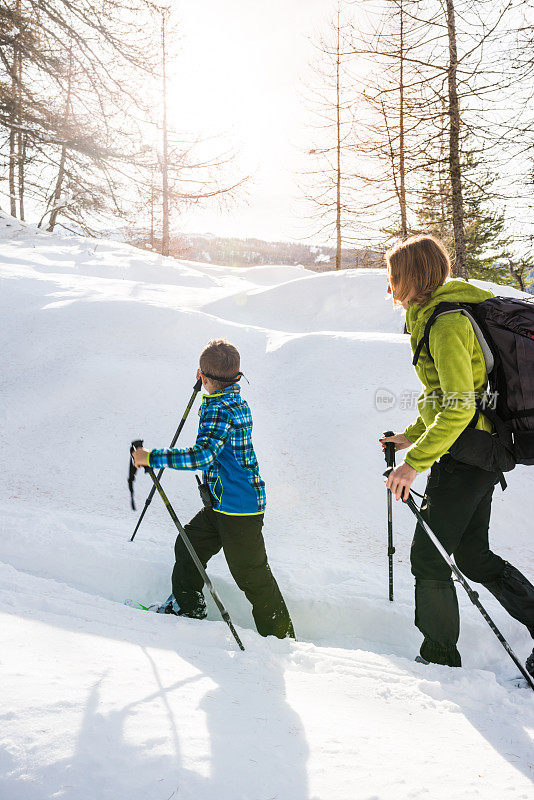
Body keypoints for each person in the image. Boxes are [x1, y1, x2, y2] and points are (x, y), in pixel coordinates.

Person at [380, 234, 534, 671]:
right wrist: (411, 436)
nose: (389, 286)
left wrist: (413, 465)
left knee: (428, 555)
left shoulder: (447, 323)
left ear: (414, 276)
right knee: (471, 556)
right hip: (480, 451)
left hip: (469, 456)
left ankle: (439, 659)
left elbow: (459, 405)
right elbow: (444, 396)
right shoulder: (440, 313)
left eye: (394, 276)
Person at [133, 338, 294, 640]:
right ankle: (188, 608)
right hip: (222, 503)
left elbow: (202, 455)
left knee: (252, 576)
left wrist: (151, 457)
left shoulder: (221, 409)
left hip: (239, 507)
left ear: (206, 377)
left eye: (203, 375)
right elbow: (215, 416)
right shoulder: (229, 399)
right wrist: (207, 381)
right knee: (188, 546)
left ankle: (282, 639)